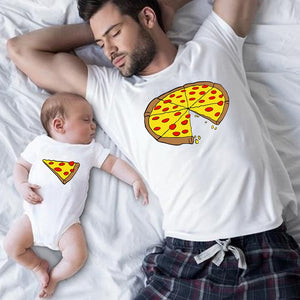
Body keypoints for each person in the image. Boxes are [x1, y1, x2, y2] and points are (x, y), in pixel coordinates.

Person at [6, 0, 300, 298]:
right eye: (100, 42)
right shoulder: (111, 92)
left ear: (146, 17)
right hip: (184, 261)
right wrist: (99, 27)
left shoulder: (215, 46)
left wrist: (163, 6)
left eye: (115, 33)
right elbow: (20, 49)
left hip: (266, 255)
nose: (109, 50)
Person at [3, 92, 149, 298]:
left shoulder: (90, 150)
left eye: (93, 121)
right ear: (59, 125)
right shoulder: (41, 145)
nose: (93, 126)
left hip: (67, 225)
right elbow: (20, 165)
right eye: (86, 120)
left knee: (77, 257)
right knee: (11, 246)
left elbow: (114, 164)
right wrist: (21, 185)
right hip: (33, 219)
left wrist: (134, 179)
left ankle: (53, 277)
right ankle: (38, 266)